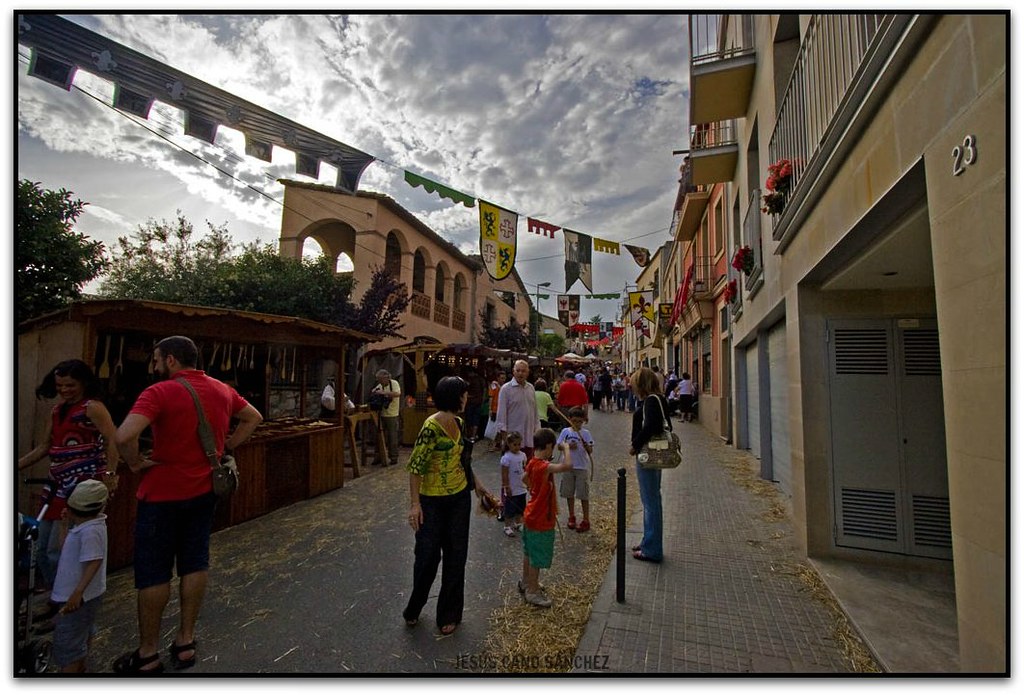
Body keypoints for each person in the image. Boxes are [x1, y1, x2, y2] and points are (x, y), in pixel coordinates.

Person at [113, 335, 263, 674]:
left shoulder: (159, 392)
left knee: (154, 572)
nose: (153, 365)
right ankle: (185, 641)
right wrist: (227, 448)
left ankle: (148, 653)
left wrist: (135, 463)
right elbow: (254, 417)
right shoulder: (222, 390)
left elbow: (123, 436)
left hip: (162, 494)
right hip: (204, 492)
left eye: (156, 359)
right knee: (195, 563)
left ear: (169, 360)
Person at [18, 359, 119, 594]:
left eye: (70, 385)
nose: (64, 390)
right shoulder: (56, 411)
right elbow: (45, 446)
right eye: (60, 385)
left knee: (59, 549)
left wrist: (110, 474)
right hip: (55, 486)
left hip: (80, 489)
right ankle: (56, 596)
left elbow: (113, 439)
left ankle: (65, 598)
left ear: (83, 383)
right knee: (41, 548)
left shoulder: (92, 408)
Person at [404, 376, 494, 636]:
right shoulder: (431, 427)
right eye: (464, 394)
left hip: (458, 499)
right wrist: (415, 505)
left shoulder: (460, 423)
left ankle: (449, 614)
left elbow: (463, 461)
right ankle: (414, 607)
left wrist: (478, 487)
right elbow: (415, 468)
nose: (467, 399)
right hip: (431, 502)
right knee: (427, 557)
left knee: (456, 557)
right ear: (455, 397)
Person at [51, 479, 109, 673]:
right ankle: (81, 666)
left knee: (69, 641)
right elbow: (64, 548)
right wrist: (64, 525)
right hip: (81, 595)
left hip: (77, 597)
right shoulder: (83, 527)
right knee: (81, 631)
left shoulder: (91, 531)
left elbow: (94, 561)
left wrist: (78, 592)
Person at [519, 428, 572, 607]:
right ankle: (533, 591)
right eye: (553, 448)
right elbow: (567, 466)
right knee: (538, 555)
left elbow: (524, 478)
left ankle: (527, 581)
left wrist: (533, 489)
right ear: (549, 446)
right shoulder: (544, 466)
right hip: (541, 518)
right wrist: (565, 449)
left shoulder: (532, 462)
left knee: (529, 551)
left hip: (530, 514)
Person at [628, 367, 667, 563]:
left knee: (651, 502)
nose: (632, 385)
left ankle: (652, 549)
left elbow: (652, 426)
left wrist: (635, 445)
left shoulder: (651, 401)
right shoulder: (657, 399)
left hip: (648, 455)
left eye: (634, 382)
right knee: (651, 500)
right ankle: (648, 541)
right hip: (653, 454)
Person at [557, 406, 595, 532]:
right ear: (569, 420)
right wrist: (567, 446)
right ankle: (571, 516)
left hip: (581, 467)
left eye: (580, 421)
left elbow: (590, 450)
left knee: (583, 494)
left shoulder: (586, 433)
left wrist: (586, 446)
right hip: (568, 466)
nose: (577, 424)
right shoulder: (565, 432)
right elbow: (559, 446)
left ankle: (586, 519)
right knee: (569, 492)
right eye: (574, 421)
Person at [495, 359, 541, 461]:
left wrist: (537, 431)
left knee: (528, 471)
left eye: (523, 371)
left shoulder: (531, 388)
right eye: (518, 370)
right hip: (513, 441)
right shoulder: (506, 389)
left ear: (528, 373)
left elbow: (535, 413)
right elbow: (501, 416)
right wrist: (505, 439)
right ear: (513, 371)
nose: (520, 373)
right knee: (512, 471)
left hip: (529, 438)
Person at [499, 431, 528, 538]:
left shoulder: (523, 455)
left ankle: (518, 523)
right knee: (510, 508)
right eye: (514, 444)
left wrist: (527, 483)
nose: (517, 447)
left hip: (521, 487)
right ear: (509, 444)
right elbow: (504, 474)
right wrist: (507, 486)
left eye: (519, 444)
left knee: (521, 507)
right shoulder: (506, 458)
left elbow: (525, 469)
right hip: (512, 487)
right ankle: (507, 526)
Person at [371, 369, 402, 466]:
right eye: (378, 380)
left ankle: (393, 457)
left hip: (392, 414)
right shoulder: (380, 385)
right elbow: (374, 391)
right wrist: (375, 392)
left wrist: (384, 394)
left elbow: (397, 394)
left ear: (386, 378)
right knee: (379, 436)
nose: (379, 382)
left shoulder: (394, 383)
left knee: (392, 436)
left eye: (380, 379)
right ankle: (379, 456)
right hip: (381, 414)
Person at [463, 366, 486, 441]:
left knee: (469, 419)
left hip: (470, 402)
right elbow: (484, 391)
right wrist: (482, 400)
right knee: (476, 419)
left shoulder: (470, 380)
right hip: (479, 402)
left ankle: (469, 435)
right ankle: (474, 435)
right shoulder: (481, 379)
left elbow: (465, 389)